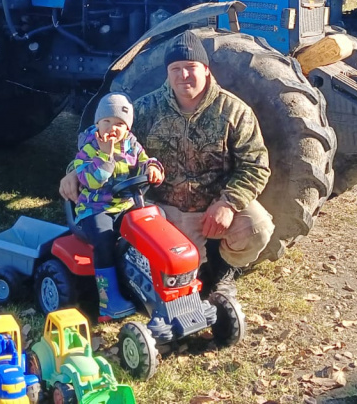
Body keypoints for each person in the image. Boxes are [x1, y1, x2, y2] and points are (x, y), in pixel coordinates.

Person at [62, 30, 274, 297]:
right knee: (163, 269)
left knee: (257, 227)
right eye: (176, 68)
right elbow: (105, 142)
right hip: (163, 209)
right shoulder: (147, 109)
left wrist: (228, 203)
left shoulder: (234, 111)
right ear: (167, 73)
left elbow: (256, 166)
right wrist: (72, 172)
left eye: (190, 67)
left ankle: (221, 273)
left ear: (206, 70)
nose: (183, 75)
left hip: (213, 206)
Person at [70, 92, 165, 320]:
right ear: (97, 124)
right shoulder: (88, 150)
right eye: (107, 122)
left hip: (124, 204)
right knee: (105, 239)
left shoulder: (131, 145)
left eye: (120, 124)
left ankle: (151, 283)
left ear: (128, 128)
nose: (113, 128)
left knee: (153, 224)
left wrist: (153, 168)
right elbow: (93, 181)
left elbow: (145, 159)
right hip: (95, 208)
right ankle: (108, 300)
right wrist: (106, 156)